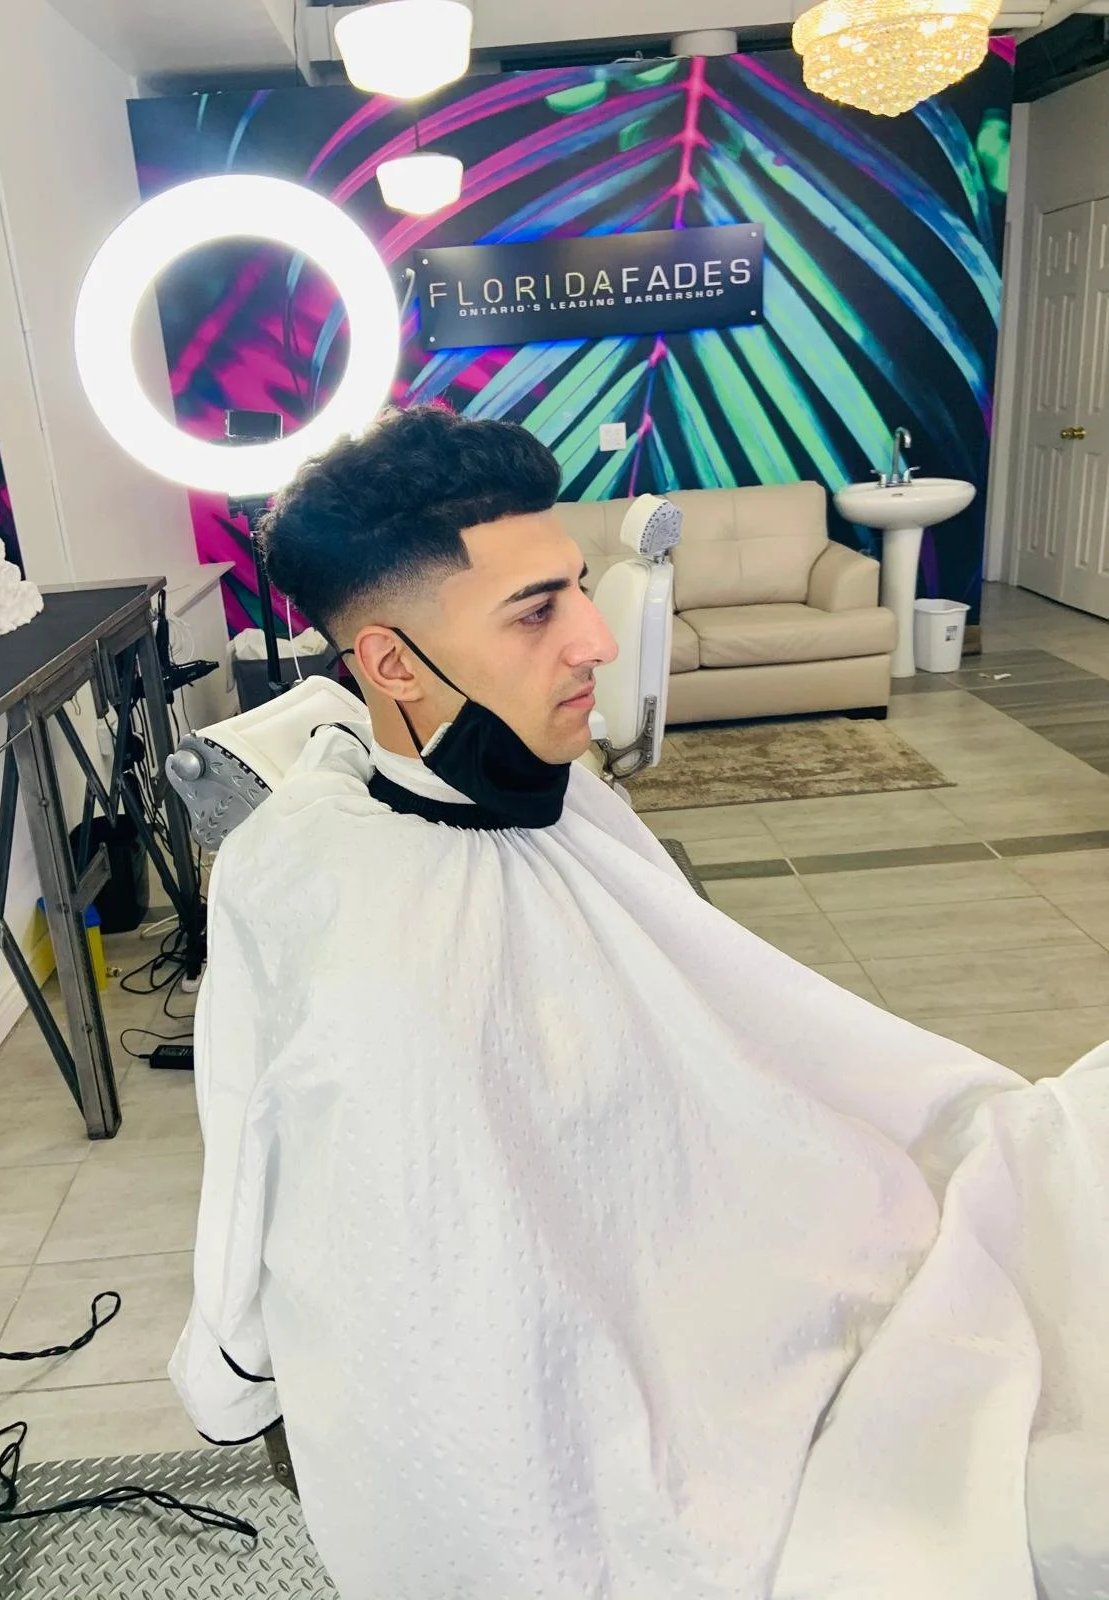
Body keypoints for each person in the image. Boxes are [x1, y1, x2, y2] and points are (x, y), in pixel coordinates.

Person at [171, 405, 1109, 1600]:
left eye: (578, 588)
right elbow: (259, 1147)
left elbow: (712, 1032)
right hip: (505, 1404)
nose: (595, 643)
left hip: (722, 1296)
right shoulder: (310, 879)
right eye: (536, 609)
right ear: (392, 661)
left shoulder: (570, 803)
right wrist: (236, 1371)